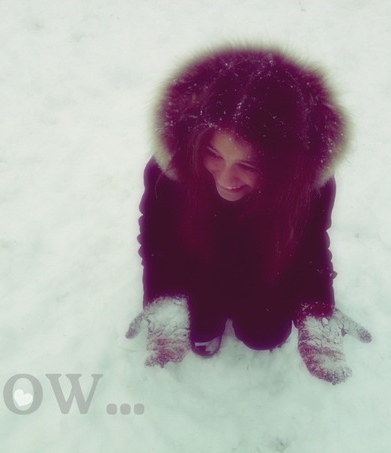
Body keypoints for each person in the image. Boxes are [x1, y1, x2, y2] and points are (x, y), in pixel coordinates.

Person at [126, 46, 371, 384]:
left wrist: (316, 305)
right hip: (198, 259)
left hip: (261, 261)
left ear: (285, 168)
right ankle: (205, 320)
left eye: (249, 165)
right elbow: (157, 236)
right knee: (199, 328)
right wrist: (164, 294)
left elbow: (311, 243)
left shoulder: (308, 187)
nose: (226, 179)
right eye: (213, 154)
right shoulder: (172, 171)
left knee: (265, 335)